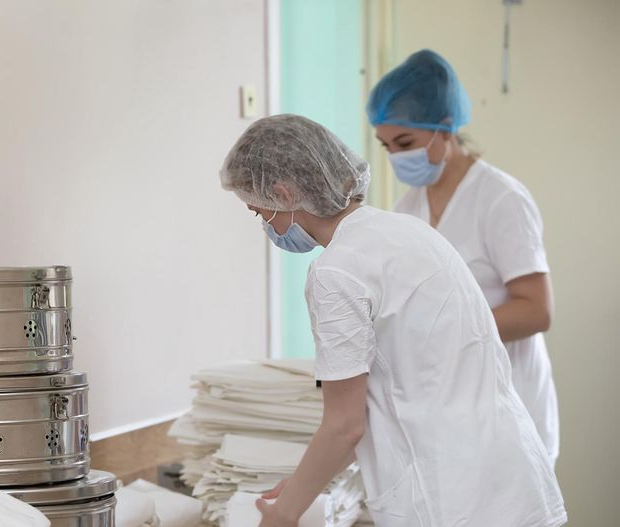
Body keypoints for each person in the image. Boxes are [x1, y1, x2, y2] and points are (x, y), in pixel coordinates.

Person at [219, 114, 566, 527]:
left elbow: (345, 426)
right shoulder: (411, 232)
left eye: (259, 212)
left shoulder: (336, 272)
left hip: (450, 501)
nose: (267, 226)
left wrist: (284, 514)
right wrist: (299, 486)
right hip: (512, 479)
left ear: (283, 192)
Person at [368, 49, 559, 465]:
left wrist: (443, 329)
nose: (396, 157)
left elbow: (536, 311)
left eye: (405, 143)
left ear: (445, 127)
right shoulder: (408, 208)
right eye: (386, 146)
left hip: (509, 401)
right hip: (449, 408)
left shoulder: (500, 199)